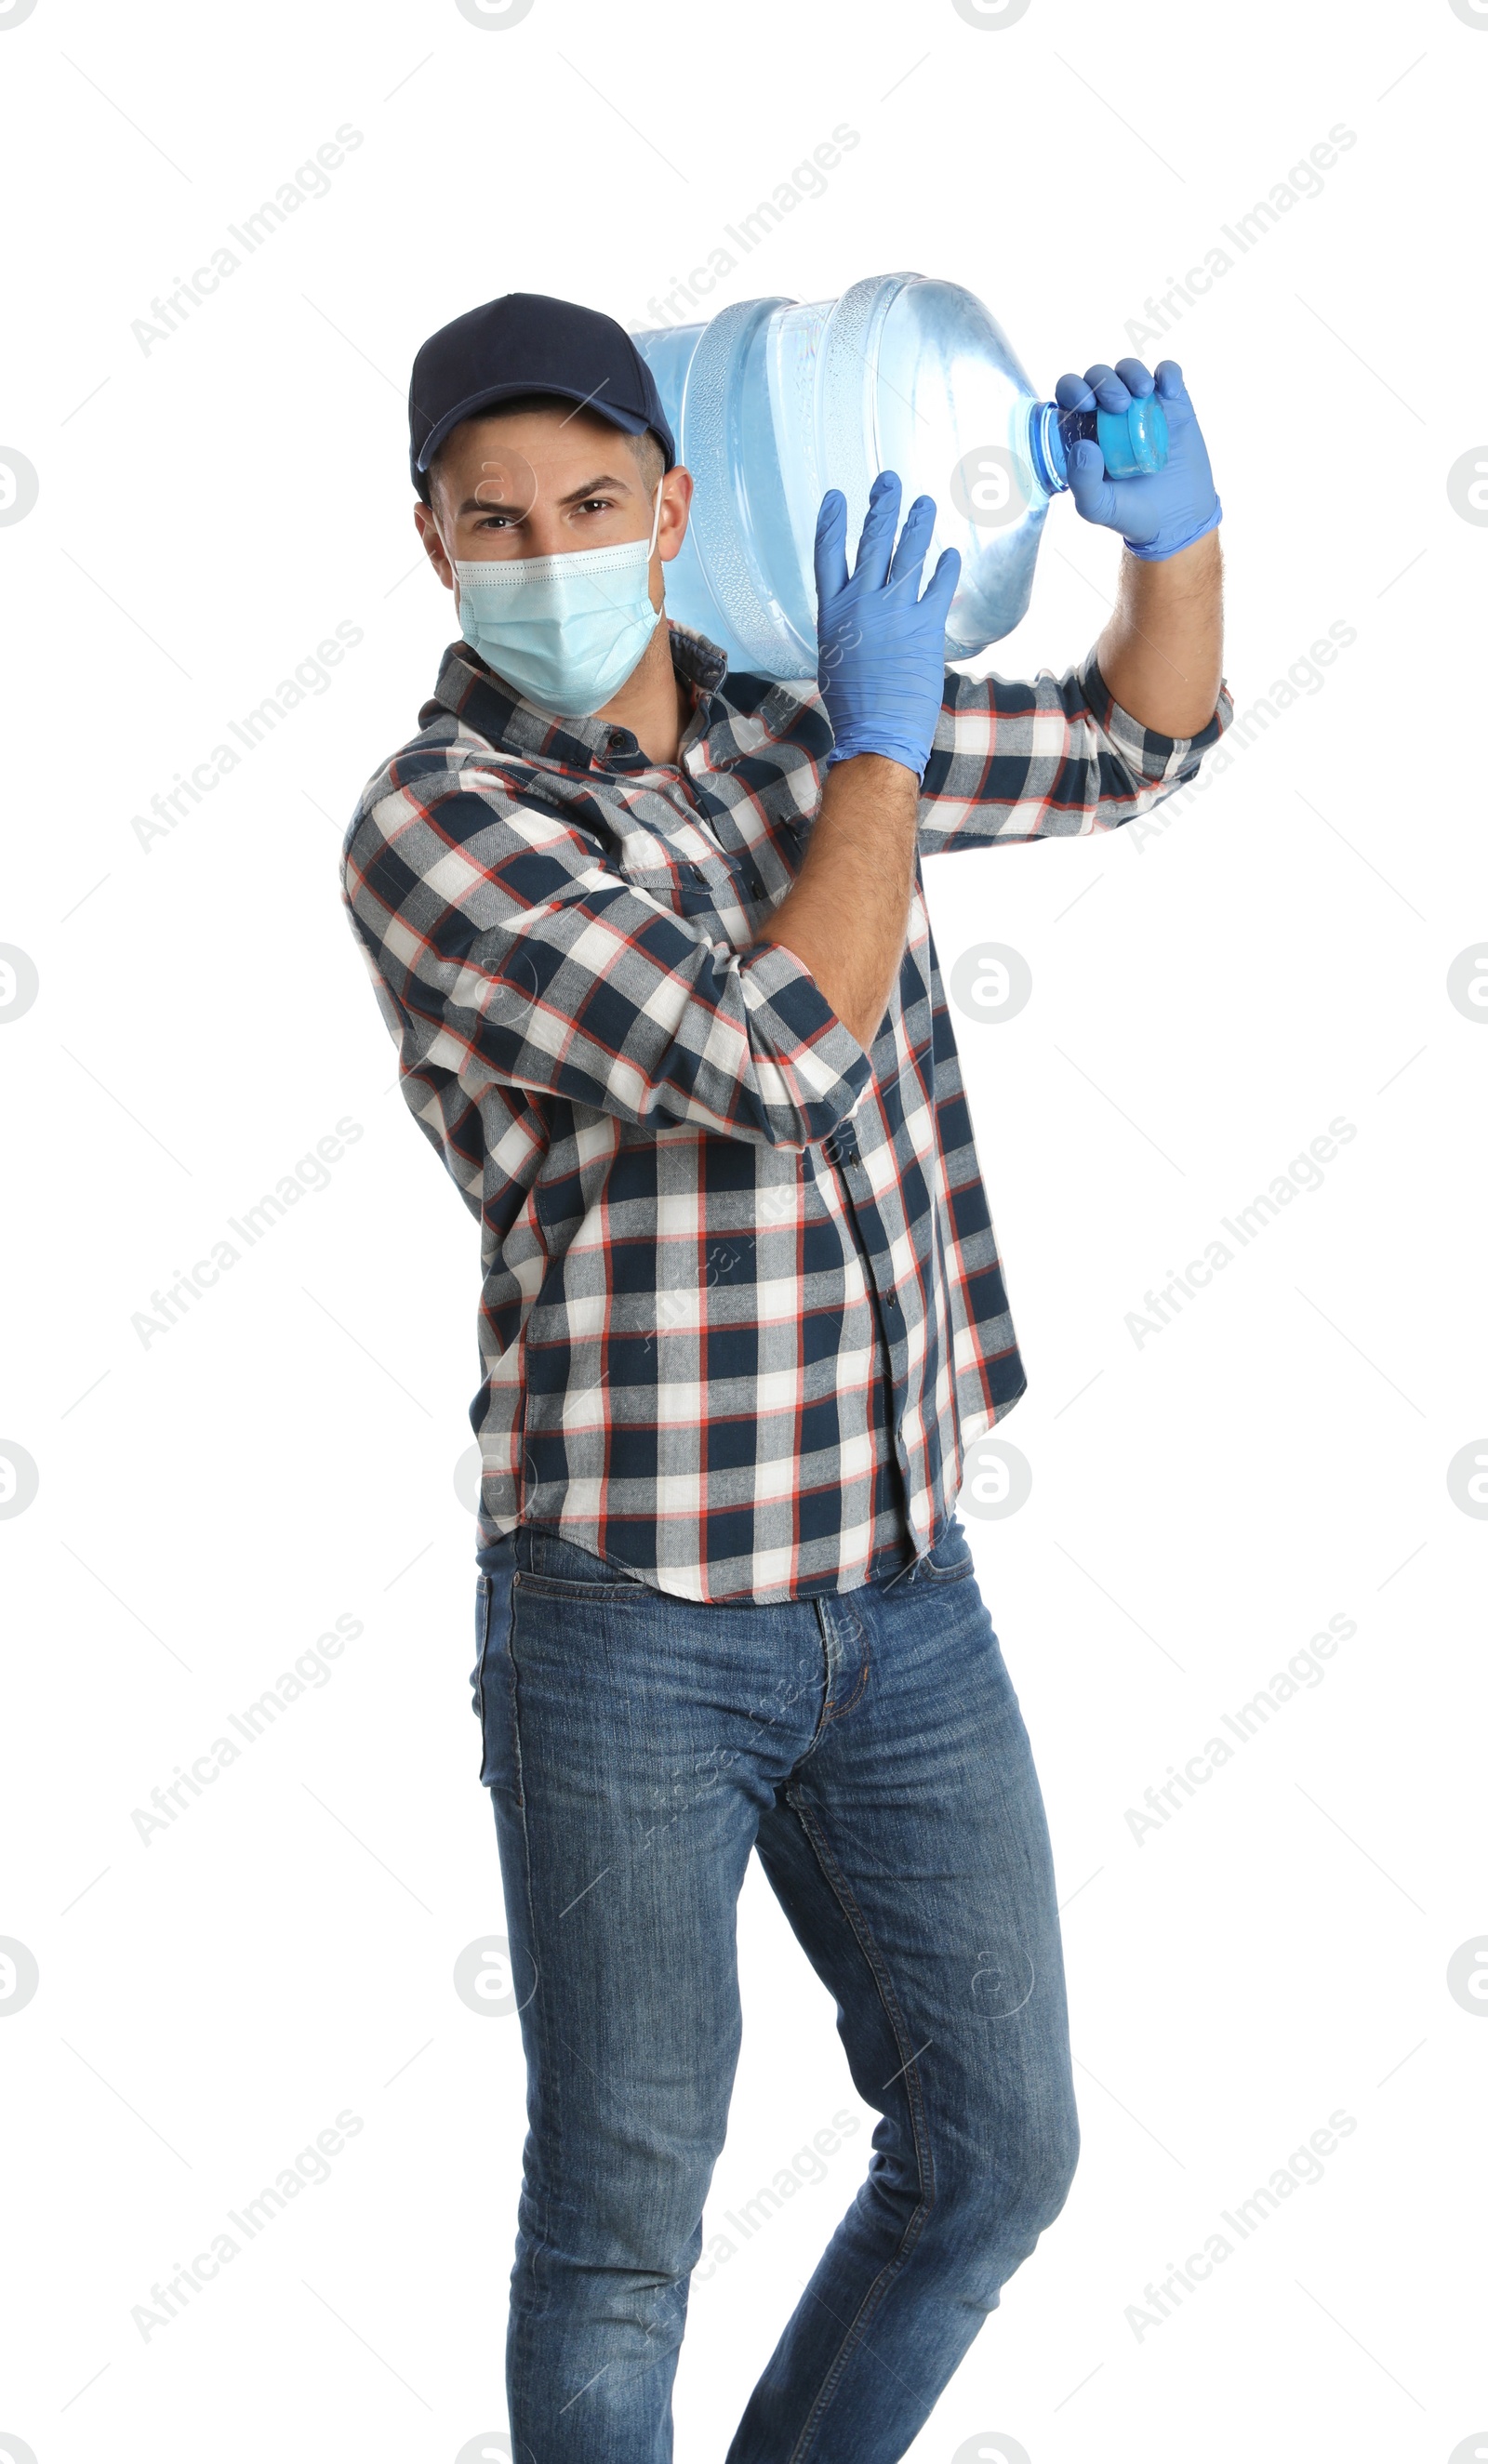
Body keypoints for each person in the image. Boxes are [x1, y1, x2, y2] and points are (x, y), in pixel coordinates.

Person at [339, 288, 1230, 2460]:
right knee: (624, 2231)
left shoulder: (802, 718)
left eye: (589, 499)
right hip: (627, 1623)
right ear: (432, 544)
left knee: (993, 2155)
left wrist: (1171, 543)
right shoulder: (437, 827)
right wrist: (883, 751)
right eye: (496, 516)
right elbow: (776, 1046)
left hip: (901, 1595)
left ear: (670, 507)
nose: (548, 545)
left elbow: (1141, 739)